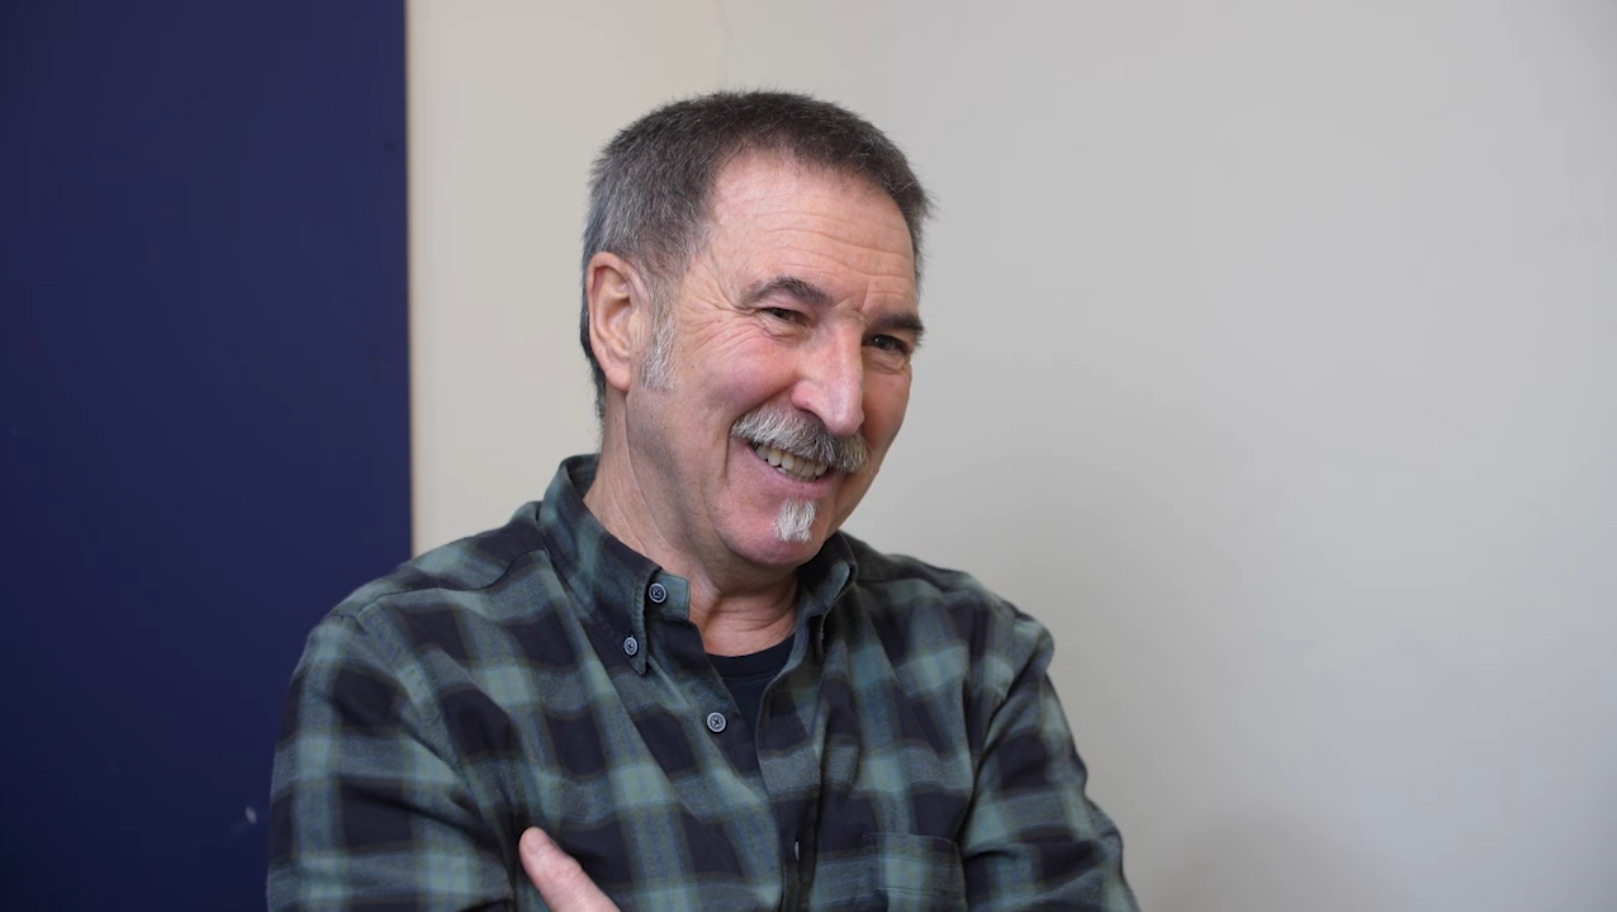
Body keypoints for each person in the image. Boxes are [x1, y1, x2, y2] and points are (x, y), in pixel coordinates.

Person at [268, 90, 1137, 912]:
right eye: (784, 315)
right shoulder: (407, 671)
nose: (844, 405)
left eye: (883, 342)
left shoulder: (975, 662)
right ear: (621, 319)